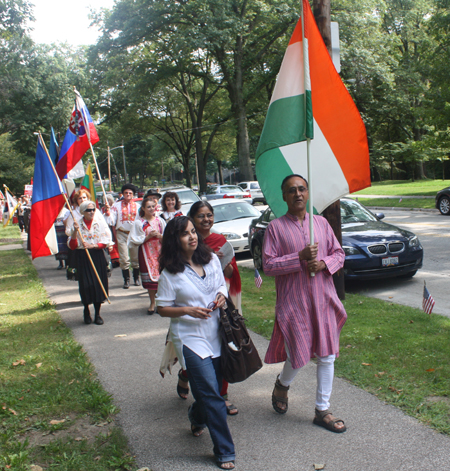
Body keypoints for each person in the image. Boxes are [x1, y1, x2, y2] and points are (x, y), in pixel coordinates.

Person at [262, 174, 347, 433]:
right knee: (298, 356)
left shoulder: (321, 223)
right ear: (284, 196)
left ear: (307, 193)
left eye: (301, 189)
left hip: (323, 299)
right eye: (291, 190)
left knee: (327, 355)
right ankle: (282, 384)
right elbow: (268, 265)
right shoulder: (275, 228)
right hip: (294, 302)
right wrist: (298, 257)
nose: (297, 194)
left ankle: (322, 410)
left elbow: (339, 254)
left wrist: (323, 264)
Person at [156, 217, 235, 470]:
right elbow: (162, 308)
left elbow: (220, 284)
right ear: (174, 240)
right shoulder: (170, 273)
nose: (192, 236)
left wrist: (222, 295)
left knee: (207, 393)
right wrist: (187, 310)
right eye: (185, 234)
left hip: (216, 333)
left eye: (193, 232)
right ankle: (224, 451)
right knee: (213, 394)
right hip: (189, 338)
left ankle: (196, 416)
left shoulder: (210, 259)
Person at [178, 200, 240, 415]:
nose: (206, 220)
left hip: (218, 303)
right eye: (201, 216)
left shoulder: (220, 241)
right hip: (190, 306)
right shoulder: (184, 242)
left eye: (209, 215)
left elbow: (231, 274)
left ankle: (222, 396)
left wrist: (223, 261)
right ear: (192, 220)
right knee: (193, 354)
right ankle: (185, 375)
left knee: (222, 348)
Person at [69, 201, 112, 325]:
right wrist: (75, 233)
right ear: (83, 212)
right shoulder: (77, 224)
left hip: (97, 255)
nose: (91, 212)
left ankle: (97, 313)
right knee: (86, 284)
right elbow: (72, 246)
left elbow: (106, 241)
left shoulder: (99, 223)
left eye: (93, 209)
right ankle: (86, 310)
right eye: (88, 210)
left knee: (98, 283)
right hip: (83, 256)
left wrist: (93, 245)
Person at [128, 196, 165, 314]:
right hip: (146, 253)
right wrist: (147, 237)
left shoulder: (160, 221)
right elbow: (134, 239)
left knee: (161, 278)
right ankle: (152, 302)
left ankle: (161, 302)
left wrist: (160, 236)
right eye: (148, 207)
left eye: (153, 206)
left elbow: (168, 237)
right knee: (150, 279)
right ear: (143, 208)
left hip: (160, 252)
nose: (151, 209)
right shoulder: (139, 223)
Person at [104, 184, 141, 289]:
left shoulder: (138, 207)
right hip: (122, 233)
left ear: (133, 195)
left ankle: (136, 278)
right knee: (124, 258)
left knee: (135, 257)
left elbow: (141, 221)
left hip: (134, 234)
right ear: (123, 194)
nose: (128, 195)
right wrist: (108, 212)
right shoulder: (117, 206)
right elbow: (111, 220)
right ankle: (126, 280)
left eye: (130, 193)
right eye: (126, 193)